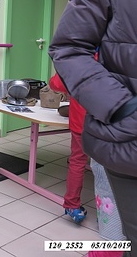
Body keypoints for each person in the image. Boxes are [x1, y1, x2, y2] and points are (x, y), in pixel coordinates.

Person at [49, 0, 137, 255]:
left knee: (81, 167)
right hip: (124, 137)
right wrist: (123, 108)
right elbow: (68, 50)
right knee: (91, 175)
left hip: (91, 123)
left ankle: (82, 213)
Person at [49, 73, 88, 223]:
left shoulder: (78, 60)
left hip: (81, 121)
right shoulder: (115, 56)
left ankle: (73, 207)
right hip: (108, 122)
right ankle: (108, 212)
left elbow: (55, 83)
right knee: (107, 167)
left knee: (78, 161)